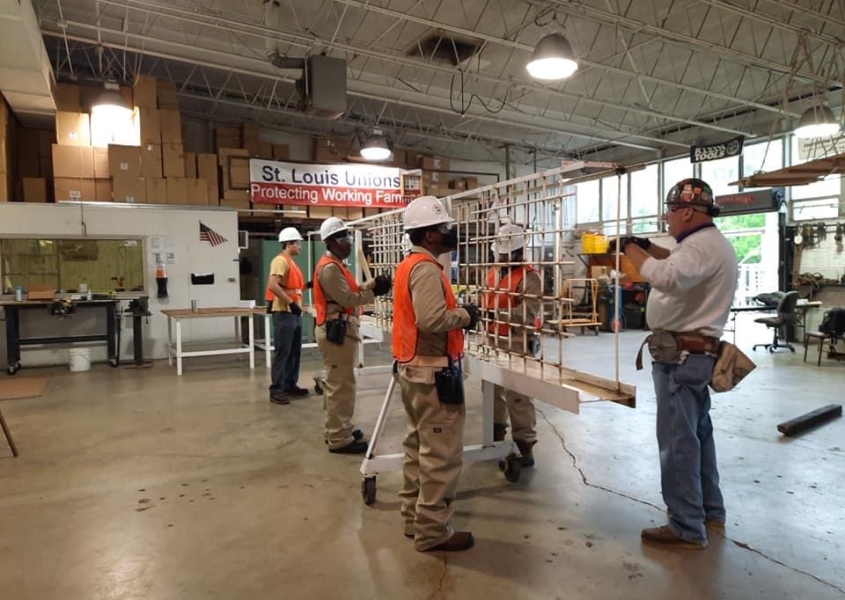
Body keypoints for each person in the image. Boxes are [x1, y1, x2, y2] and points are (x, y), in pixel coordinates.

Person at [616, 178, 737, 550]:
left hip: (682, 358)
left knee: (678, 441)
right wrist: (645, 247)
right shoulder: (703, 245)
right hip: (691, 356)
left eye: (669, 212)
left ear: (687, 210)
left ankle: (686, 524)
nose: (667, 219)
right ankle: (708, 509)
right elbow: (673, 262)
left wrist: (628, 250)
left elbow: (666, 276)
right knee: (697, 435)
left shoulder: (701, 246)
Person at [393, 196, 479, 552]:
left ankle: (415, 519)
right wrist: (465, 314)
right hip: (431, 374)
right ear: (429, 235)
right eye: (445, 227)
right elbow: (431, 320)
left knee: (417, 448)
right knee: (440, 456)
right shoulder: (426, 270)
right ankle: (432, 532)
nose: (450, 232)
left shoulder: (408, 265)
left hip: (413, 370)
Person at [313, 217, 392, 454]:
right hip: (336, 331)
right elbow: (348, 299)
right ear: (332, 242)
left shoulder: (336, 266)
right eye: (343, 238)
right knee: (341, 386)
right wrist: (373, 293)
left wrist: (371, 284)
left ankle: (338, 428)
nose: (348, 242)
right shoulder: (329, 269)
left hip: (339, 329)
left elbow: (352, 290)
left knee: (338, 384)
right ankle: (338, 437)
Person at [482, 224, 542, 467]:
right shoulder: (492, 272)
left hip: (517, 341)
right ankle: (495, 434)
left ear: (519, 252)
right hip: (491, 339)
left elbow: (526, 313)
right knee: (492, 390)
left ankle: (524, 444)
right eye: (502, 253)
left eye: (509, 254)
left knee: (518, 394)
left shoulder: (530, 277)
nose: (505, 257)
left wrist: (495, 314)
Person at [266, 227, 310, 404]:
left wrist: (308, 285)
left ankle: (289, 384)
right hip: (285, 312)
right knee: (283, 351)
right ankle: (276, 389)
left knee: (293, 351)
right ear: (289, 244)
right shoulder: (280, 261)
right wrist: (291, 303)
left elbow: (292, 287)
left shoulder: (290, 262)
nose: (300, 246)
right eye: (298, 243)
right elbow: (273, 285)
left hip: (293, 313)